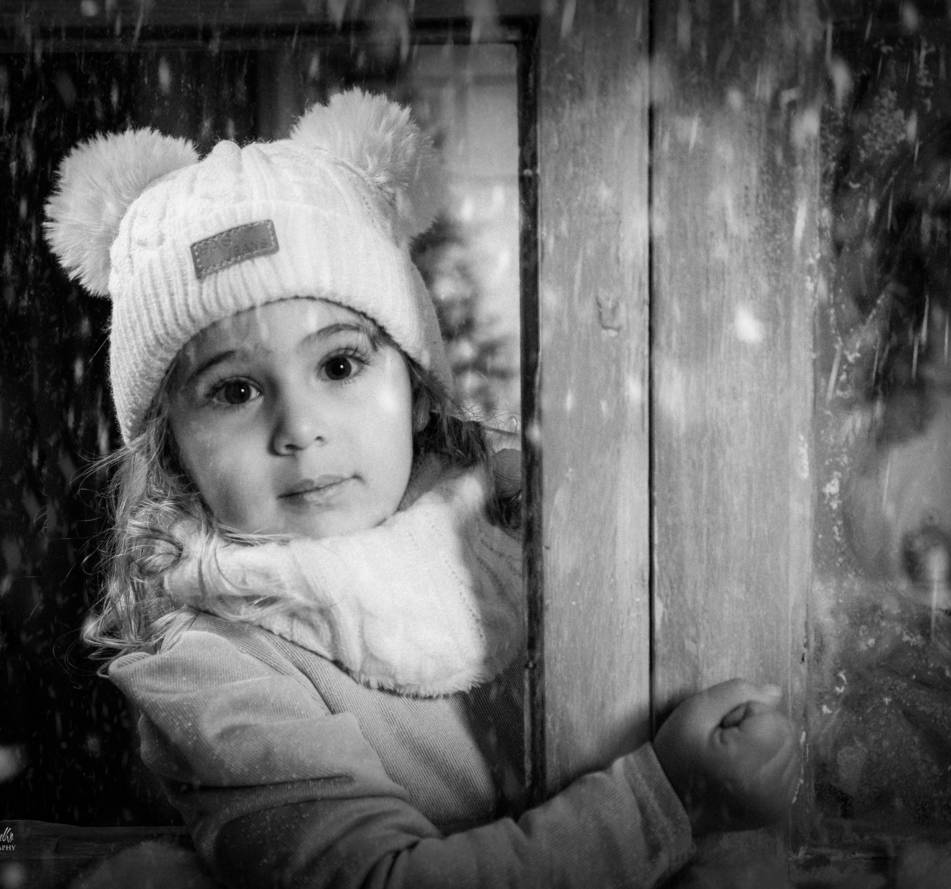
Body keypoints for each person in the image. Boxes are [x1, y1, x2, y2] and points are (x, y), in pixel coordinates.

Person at [45, 88, 800, 888]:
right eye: (234, 390)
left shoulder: (519, 524)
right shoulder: (219, 673)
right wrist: (666, 800)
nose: (300, 427)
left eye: (340, 363)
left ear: (414, 388)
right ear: (171, 450)